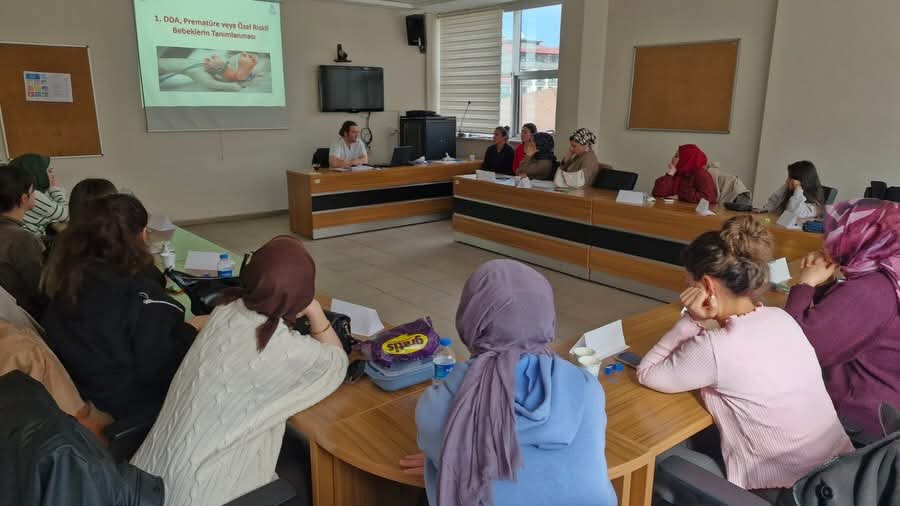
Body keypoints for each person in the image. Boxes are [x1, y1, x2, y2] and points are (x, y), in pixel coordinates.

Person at [637, 216, 852, 491]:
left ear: (707, 285)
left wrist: (691, 320)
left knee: (661, 457)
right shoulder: (780, 318)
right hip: (841, 477)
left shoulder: (716, 347)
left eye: (687, 282)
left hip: (787, 489)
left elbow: (647, 373)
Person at [132, 235, 348, 506]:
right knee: (310, 473)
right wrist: (316, 313)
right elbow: (336, 363)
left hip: (146, 480)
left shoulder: (224, 310)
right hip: (197, 493)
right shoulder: (280, 347)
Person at [402, 260, 617, 506]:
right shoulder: (587, 387)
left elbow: (442, 455)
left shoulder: (440, 402)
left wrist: (445, 457)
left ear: (470, 320)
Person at [41, 194, 204, 420]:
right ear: (141, 235)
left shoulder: (64, 281)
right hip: (133, 407)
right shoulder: (142, 299)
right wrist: (191, 330)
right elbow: (163, 370)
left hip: (87, 391)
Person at [784, 199, 900, 436]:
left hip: (856, 424)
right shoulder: (888, 275)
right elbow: (851, 325)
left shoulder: (871, 289)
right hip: (882, 413)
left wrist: (804, 285)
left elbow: (798, 350)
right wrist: (825, 285)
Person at [0, 164, 45, 317]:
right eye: (34, 191)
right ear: (24, 198)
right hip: (24, 320)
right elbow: (40, 290)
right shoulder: (23, 240)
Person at [9, 153, 69, 237]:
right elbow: (67, 214)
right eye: (48, 171)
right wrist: (54, 189)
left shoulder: (17, 191)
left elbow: (44, 217)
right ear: (38, 174)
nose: (52, 174)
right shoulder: (33, 194)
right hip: (34, 243)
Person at [652, 144, 718, 204]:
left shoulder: (701, 174)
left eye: (676, 156)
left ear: (686, 159)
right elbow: (657, 193)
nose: (672, 158)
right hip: (676, 210)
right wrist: (670, 174)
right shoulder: (677, 172)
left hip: (694, 213)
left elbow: (708, 198)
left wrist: (680, 196)